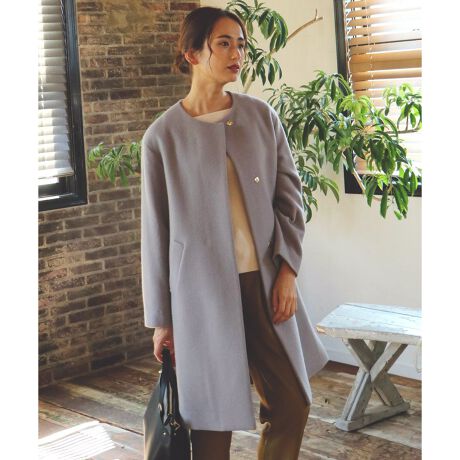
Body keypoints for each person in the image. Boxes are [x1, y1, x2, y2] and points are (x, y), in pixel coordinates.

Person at [141, 6, 329, 460]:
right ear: (192, 53)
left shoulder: (261, 117)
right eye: (223, 43)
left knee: (292, 402)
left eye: (241, 44)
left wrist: (288, 271)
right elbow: (155, 235)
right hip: (200, 296)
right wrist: (162, 320)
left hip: (263, 284)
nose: (237, 54)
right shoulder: (162, 137)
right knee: (211, 423)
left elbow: (290, 203)